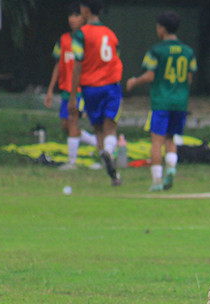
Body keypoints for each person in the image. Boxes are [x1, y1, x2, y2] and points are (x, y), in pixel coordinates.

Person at [126, 11, 197, 192]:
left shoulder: (156, 50)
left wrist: (134, 81)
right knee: (171, 139)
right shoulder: (188, 51)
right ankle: (171, 168)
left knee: (157, 141)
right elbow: (189, 78)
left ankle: (157, 181)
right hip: (180, 102)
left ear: (162, 28)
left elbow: (150, 75)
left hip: (161, 102)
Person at [69, 0, 124, 186]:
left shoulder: (80, 35)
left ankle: (113, 176)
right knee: (111, 128)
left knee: (98, 129)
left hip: (90, 88)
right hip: (111, 86)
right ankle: (110, 153)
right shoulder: (111, 33)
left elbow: (77, 65)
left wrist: (72, 96)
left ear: (85, 9)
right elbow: (116, 57)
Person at [45, 2, 98, 171]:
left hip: (81, 89)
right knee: (65, 125)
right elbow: (58, 65)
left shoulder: (87, 38)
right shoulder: (64, 39)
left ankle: (72, 162)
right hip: (66, 89)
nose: (73, 19)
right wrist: (50, 89)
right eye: (71, 16)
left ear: (84, 17)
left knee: (73, 121)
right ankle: (96, 142)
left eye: (77, 15)